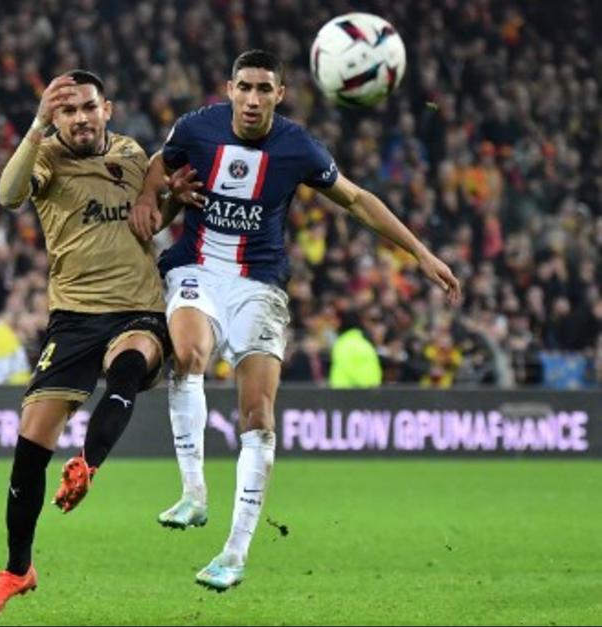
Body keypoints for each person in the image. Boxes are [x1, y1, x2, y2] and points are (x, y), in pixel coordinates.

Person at [130, 49, 462, 591]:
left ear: (279, 95)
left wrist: (421, 254)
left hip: (258, 285)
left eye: (265, 89)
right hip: (195, 269)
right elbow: (160, 162)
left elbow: (355, 199)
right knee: (187, 354)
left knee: (257, 415)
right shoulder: (198, 126)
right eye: (245, 87)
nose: (254, 98)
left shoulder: (298, 146)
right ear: (229, 88)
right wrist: (149, 192)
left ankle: (234, 555)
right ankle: (193, 493)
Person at [0, 70, 192, 620]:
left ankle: (88, 464)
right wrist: (37, 125)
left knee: (131, 363)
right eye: (67, 111)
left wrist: (174, 204)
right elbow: (8, 194)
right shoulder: (45, 155)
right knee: (29, 446)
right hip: (72, 317)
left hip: (138, 307)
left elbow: (147, 220)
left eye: (88, 107)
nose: (80, 118)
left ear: (107, 108)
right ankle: (17, 569)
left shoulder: (134, 154)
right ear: (56, 117)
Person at [329, 310, 383, 388]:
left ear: (341, 322)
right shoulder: (365, 343)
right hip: (366, 393)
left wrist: (365, 387)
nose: (333, 323)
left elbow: (348, 367)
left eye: (335, 320)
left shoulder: (344, 344)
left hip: (346, 393)